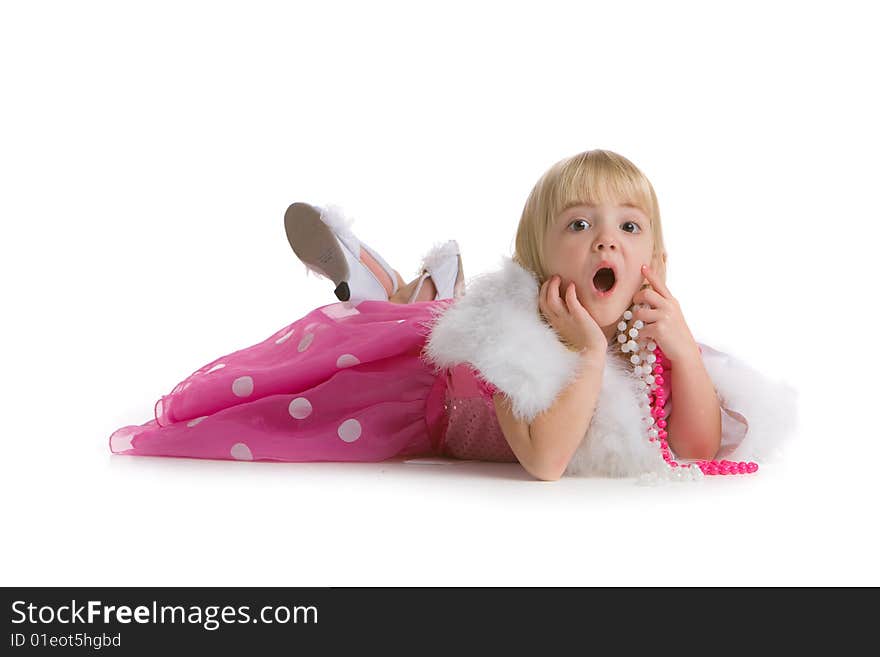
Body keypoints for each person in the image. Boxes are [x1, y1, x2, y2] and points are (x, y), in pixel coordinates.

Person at [108, 149, 797, 484]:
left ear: (658, 261)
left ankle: (424, 280)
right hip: (418, 383)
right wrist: (586, 353)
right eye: (580, 224)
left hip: (446, 333)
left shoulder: (647, 343)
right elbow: (547, 460)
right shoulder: (513, 335)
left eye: (629, 225)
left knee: (429, 308)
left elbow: (699, 446)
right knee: (358, 336)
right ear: (537, 263)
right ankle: (376, 277)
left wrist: (680, 349)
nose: (606, 240)